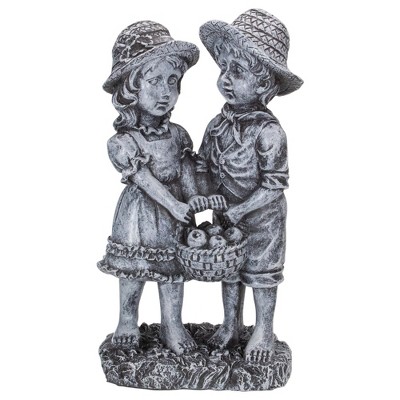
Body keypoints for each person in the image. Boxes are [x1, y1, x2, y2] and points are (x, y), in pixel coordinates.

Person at [196, 9, 303, 362]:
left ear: (263, 85)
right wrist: (201, 193)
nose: (226, 79)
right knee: (229, 271)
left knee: (261, 274)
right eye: (224, 69)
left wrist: (240, 209)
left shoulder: (269, 132)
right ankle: (230, 324)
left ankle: (264, 329)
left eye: (238, 71)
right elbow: (204, 166)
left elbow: (274, 186)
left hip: (262, 218)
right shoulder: (217, 125)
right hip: (227, 214)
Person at [98, 21, 207, 355]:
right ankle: (127, 320)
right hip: (140, 213)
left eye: (172, 81)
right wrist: (174, 205)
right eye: (155, 80)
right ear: (131, 90)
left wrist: (195, 197)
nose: (165, 92)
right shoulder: (124, 142)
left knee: (172, 272)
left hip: (175, 215)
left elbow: (185, 172)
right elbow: (144, 180)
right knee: (133, 270)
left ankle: (172, 325)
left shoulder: (179, 135)